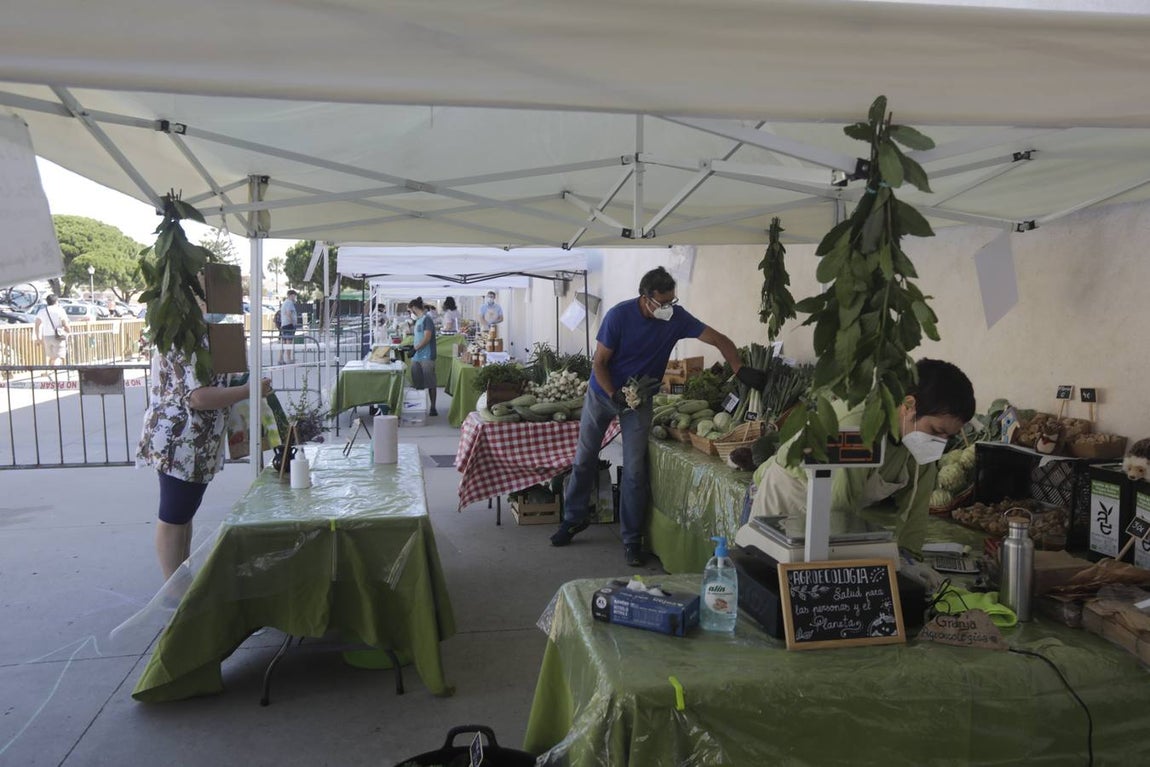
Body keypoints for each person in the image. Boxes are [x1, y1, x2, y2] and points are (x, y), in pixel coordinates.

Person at [551, 266, 768, 566]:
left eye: (672, 302)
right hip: (602, 395)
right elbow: (599, 363)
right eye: (662, 303)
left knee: (636, 470)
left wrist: (739, 368)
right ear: (645, 298)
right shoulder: (618, 316)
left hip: (640, 400)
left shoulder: (676, 319)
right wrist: (614, 393)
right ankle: (572, 520)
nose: (669, 309)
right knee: (585, 458)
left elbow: (719, 339)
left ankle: (631, 539)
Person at [749, 358, 975, 556]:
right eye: (936, 431)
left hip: (836, 513)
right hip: (789, 499)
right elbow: (839, 503)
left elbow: (916, 509)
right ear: (909, 405)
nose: (939, 442)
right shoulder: (858, 425)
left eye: (948, 436)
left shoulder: (917, 443)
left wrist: (909, 557)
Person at [137, 345, 273, 580]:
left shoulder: (197, 335)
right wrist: (247, 390)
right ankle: (174, 592)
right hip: (181, 441)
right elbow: (197, 397)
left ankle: (180, 581)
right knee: (174, 516)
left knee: (183, 514)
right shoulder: (183, 338)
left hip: (195, 444)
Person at [409, 297, 439, 416]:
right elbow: (419, 337)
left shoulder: (427, 320)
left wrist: (415, 348)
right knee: (418, 383)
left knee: (430, 382)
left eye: (411, 311)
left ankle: (433, 407)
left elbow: (427, 338)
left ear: (415, 308)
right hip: (416, 357)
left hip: (427, 355)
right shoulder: (419, 320)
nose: (411, 313)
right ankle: (420, 406)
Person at [34, 294, 71, 366]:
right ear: (56, 301)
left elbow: (37, 325)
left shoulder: (42, 311)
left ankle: (50, 371)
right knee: (59, 356)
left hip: (46, 336)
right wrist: (69, 332)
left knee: (52, 357)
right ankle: (55, 370)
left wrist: (38, 338)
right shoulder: (60, 310)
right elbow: (65, 324)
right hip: (58, 336)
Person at [277, 290, 299, 364]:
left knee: (283, 342)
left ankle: (280, 359)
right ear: (291, 295)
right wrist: (293, 322)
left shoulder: (285, 303)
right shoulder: (289, 303)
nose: (295, 297)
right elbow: (288, 313)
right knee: (288, 342)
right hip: (289, 325)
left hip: (284, 324)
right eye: (294, 296)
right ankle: (289, 359)